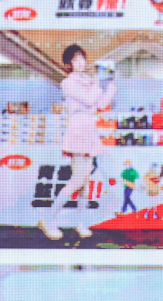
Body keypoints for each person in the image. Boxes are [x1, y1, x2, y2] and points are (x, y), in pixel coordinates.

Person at [39, 44, 115, 240]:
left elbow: (100, 104)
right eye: (75, 59)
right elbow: (89, 100)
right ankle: (48, 218)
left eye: (82, 58)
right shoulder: (68, 83)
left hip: (89, 127)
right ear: (69, 64)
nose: (80, 62)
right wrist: (97, 84)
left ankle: (80, 222)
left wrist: (110, 87)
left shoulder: (89, 81)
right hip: (78, 128)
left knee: (85, 181)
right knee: (78, 180)